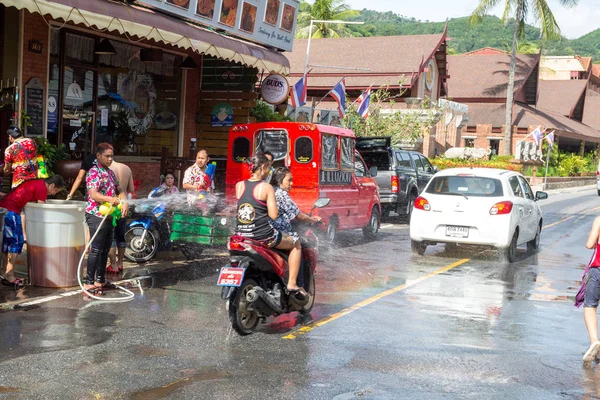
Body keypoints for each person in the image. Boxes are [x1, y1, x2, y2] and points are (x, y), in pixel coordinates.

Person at [235, 155, 305, 295]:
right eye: (268, 167)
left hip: (241, 235)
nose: (269, 171)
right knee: (296, 242)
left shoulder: (239, 185)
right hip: (263, 235)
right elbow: (273, 215)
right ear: (262, 168)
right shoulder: (266, 187)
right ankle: (292, 283)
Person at [0, 175, 65, 287]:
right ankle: (9, 275)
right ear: (52, 185)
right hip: (11, 211)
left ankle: (5, 273)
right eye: (55, 190)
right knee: (17, 242)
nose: (54, 193)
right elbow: (43, 210)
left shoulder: (38, 183)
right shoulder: (42, 188)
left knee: (7, 243)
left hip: (6, 208)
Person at [84, 143, 129, 298]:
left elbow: (120, 189)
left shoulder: (109, 172)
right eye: (107, 156)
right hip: (96, 215)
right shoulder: (93, 172)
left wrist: (124, 202)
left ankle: (100, 279)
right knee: (96, 249)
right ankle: (89, 281)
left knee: (105, 248)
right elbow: (94, 194)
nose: (110, 159)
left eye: (111, 156)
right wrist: (110, 199)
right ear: (98, 156)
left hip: (110, 216)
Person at [270, 167, 321, 235]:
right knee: (297, 243)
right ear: (279, 180)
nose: (292, 183)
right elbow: (299, 216)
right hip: (281, 233)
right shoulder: (281, 194)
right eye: (289, 180)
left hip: (270, 229)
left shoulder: (272, 190)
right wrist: (314, 221)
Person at [107, 159, 135, 274]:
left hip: (111, 206)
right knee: (121, 236)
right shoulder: (126, 168)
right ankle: (120, 263)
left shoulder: (107, 170)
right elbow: (131, 189)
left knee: (111, 236)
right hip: (124, 205)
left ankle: (113, 265)